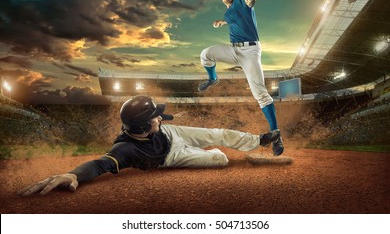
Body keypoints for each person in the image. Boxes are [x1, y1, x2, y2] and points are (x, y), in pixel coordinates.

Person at [18, 95, 280, 196]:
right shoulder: (126, 149)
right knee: (219, 159)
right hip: (170, 156)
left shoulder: (150, 124)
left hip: (171, 133)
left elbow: (158, 119)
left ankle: (258, 141)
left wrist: (162, 119)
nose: (158, 115)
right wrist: (73, 174)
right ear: (143, 127)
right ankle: (203, 153)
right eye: (154, 115)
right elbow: (100, 164)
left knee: (217, 133)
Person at [198, 0, 284, 156]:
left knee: (260, 93)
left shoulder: (240, 0)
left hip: (250, 52)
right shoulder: (228, 12)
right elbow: (233, 18)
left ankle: (276, 134)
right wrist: (222, 22)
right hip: (234, 51)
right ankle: (213, 79)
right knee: (206, 54)